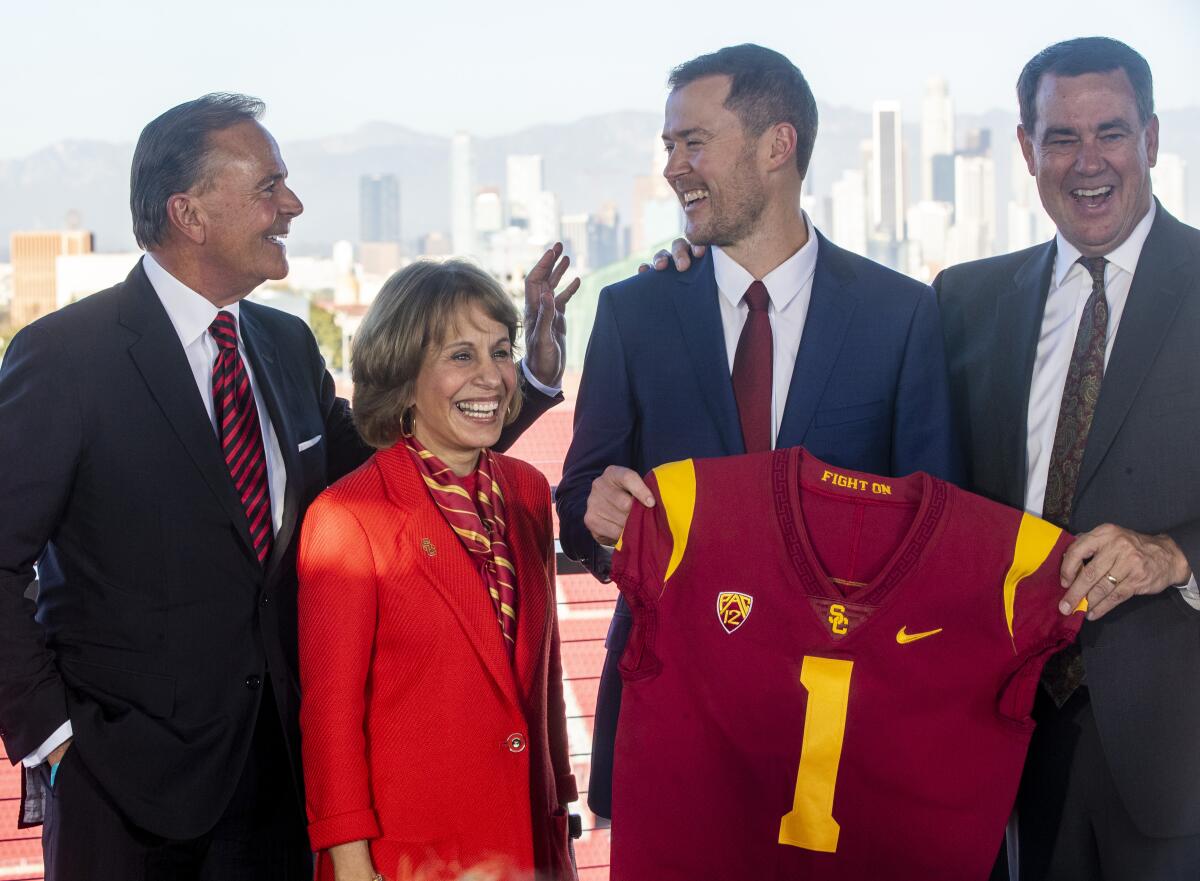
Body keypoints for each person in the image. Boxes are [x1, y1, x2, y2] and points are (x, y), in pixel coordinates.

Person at [0, 93, 572, 880]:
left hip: (282, 784)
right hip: (125, 792)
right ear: (189, 212)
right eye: (270, 186)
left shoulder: (284, 341)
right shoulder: (66, 356)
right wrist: (56, 739)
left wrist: (529, 376)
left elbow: (397, 466)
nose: (292, 204)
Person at [555, 44, 960, 820]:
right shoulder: (633, 313)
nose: (673, 166)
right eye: (668, 145)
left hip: (841, 732)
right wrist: (595, 515)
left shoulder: (901, 316)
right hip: (670, 707)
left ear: (778, 146)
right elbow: (578, 499)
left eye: (693, 142)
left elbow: (933, 525)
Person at [935, 37, 1200, 880]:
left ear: (1152, 140)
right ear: (1025, 149)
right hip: (1011, 743)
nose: (1089, 162)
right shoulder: (964, 302)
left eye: (1112, 133)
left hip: (1179, 755)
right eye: (1061, 138)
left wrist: (1175, 554)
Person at [297, 260, 577, 881]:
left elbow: (545, 681)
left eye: (500, 351)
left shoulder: (529, 493)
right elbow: (330, 716)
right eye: (460, 355)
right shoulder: (347, 516)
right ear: (404, 378)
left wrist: (560, 825)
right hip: (410, 860)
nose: (493, 377)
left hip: (530, 848)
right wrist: (349, 864)